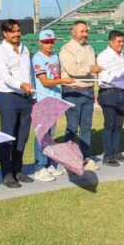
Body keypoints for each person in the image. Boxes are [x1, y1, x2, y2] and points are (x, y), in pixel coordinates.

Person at [0, 19, 35, 188]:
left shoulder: (25, 49)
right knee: (8, 136)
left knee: (22, 136)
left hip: (26, 98)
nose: (16, 34)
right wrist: (21, 85)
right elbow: (5, 76)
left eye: (18, 30)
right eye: (12, 31)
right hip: (8, 97)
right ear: (5, 34)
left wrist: (31, 95)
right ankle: (7, 174)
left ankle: (18, 170)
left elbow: (29, 74)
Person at [59, 20, 103, 172]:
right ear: (73, 32)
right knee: (72, 128)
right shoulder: (66, 49)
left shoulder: (90, 48)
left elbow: (93, 74)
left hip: (88, 92)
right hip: (73, 92)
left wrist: (94, 89)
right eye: (82, 31)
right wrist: (91, 68)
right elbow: (72, 70)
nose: (85, 34)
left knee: (86, 128)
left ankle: (85, 158)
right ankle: (69, 160)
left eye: (86, 31)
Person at [31, 29, 75, 182]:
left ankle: (49, 164)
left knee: (50, 135)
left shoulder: (55, 56)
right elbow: (44, 81)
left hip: (56, 99)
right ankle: (40, 167)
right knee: (42, 135)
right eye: (46, 42)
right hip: (44, 101)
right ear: (40, 42)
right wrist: (63, 81)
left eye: (51, 42)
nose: (49, 45)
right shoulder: (37, 58)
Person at [96, 30, 124, 167]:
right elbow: (103, 76)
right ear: (111, 42)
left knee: (118, 124)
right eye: (118, 41)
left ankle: (117, 152)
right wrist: (119, 81)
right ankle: (108, 155)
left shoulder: (122, 55)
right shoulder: (104, 56)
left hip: (121, 93)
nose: (121, 44)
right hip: (108, 93)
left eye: (122, 41)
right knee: (109, 124)